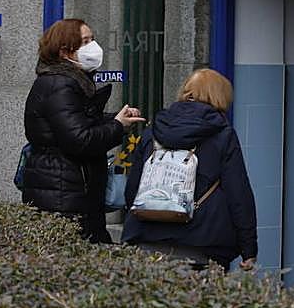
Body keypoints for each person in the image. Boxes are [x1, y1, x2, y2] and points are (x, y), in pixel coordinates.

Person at [21, 18, 145, 243]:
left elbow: (77, 120)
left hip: (69, 189)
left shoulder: (68, 81)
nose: (93, 47)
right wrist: (117, 126)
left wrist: (115, 118)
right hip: (64, 193)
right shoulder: (60, 84)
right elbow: (79, 139)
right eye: (85, 41)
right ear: (65, 51)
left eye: (92, 39)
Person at [122, 68, 257, 270]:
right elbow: (238, 194)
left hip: (147, 240)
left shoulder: (154, 130)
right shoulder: (223, 136)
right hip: (203, 244)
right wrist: (249, 249)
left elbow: (133, 187)